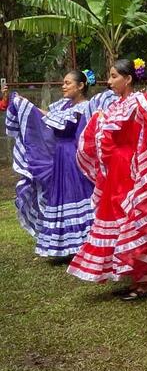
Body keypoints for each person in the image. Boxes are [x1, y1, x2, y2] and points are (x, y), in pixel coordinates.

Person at [67, 59, 147, 299]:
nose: (109, 82)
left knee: (137, 216)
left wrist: (146, 165)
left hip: (132, 169)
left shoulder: (142, 101)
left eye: (113, 76)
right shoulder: (112, 107)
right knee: (119, 219)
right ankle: (134, 273)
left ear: (128, 78)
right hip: (115, 173)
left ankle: (146, 278)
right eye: (109, 77)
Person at [3, 71, 115, 257]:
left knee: (79, 194)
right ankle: (68, 246)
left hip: (74, 156)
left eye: (68, 83)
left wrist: (29, 107)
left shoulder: (86, 107)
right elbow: (48, 117)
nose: (63, 86)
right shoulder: (64, 106)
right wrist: (25, 105)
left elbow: (55, 121)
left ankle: (89, 242)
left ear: (80, 86)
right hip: (60, 157)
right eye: (63, 83)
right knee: (63, 196)